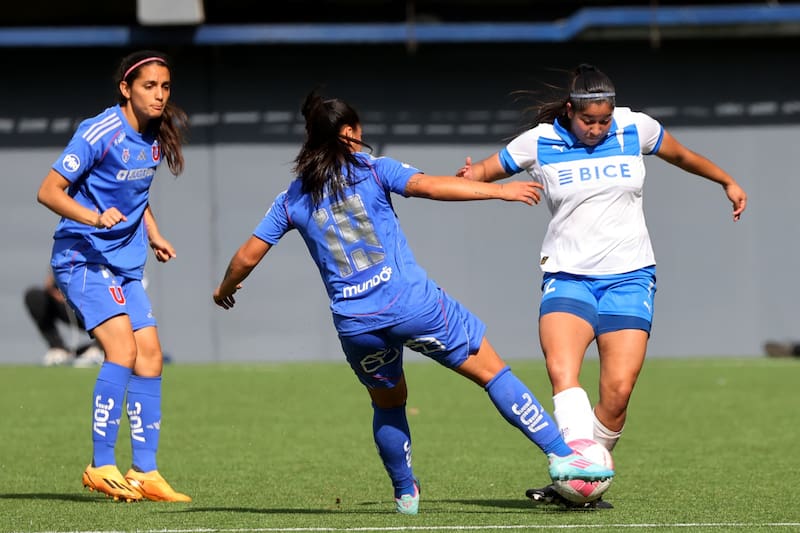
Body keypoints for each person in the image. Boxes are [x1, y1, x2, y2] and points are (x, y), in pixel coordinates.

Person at [212, 90, 614, 515]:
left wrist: (225, 289)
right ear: (350, 133)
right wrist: (500, 192)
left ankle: (406, 494)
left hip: (356, 325)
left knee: (388, 402)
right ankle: (562, 455)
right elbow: (430, 186)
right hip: (412, 305)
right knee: (493, 372)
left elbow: (247, 256)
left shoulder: (292, 197)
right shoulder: (373, 168)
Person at [457, 64, 747, 509]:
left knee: (617, 392)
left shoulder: (637, 128)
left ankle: (585, 480)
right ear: (570, 111)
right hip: (568, 277)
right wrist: (469, 178)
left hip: (630, 278)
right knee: (562, 372)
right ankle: (575, 469)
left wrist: (726, 180)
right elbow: (484, 171)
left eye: (603, 120)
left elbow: (683, 156)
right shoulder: (541, 141)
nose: (595, 128)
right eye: (587, 120)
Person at [36, 50, 191, 503]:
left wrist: (155, 233)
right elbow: (48, 191)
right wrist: (92, 217)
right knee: (122, 350)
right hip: (82, 259)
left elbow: (134, 194)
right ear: (126, 89)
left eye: (165, 87)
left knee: (151, 357)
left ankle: (145, 471)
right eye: (149, 86)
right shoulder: (99, 131)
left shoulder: (154, 138)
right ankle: (100, 464)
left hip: (124, 264)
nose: (159, 95)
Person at [24, 269, 104, 367]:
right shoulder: (63, 256)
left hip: (101, 310)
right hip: (70, 307)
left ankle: (99, 349)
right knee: (35, 296)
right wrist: (55, 290)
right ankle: (59, 350)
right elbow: (50, 283)